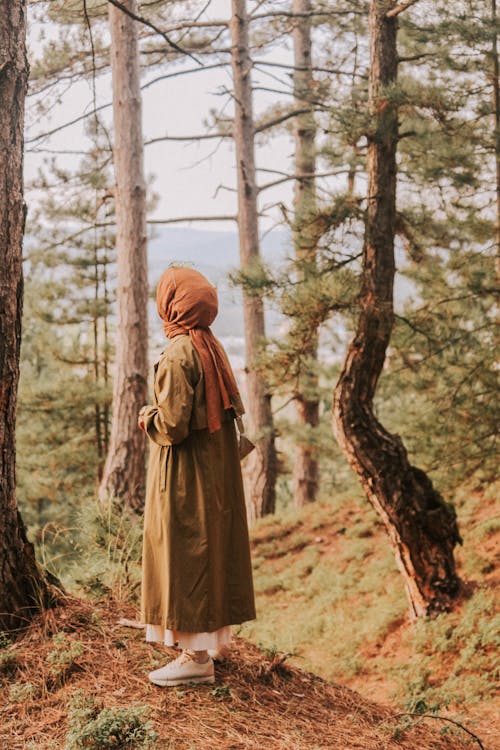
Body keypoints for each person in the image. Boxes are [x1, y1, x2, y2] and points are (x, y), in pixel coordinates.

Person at [138, 266, 256, 687]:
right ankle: (210, 642)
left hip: (187, 475)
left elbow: (170, 425)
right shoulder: (211, 346)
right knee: (210, 548)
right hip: (214, 473)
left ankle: (195, 657)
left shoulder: (178, 353)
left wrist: (144, 415)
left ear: (172, 304)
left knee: (188, 552)